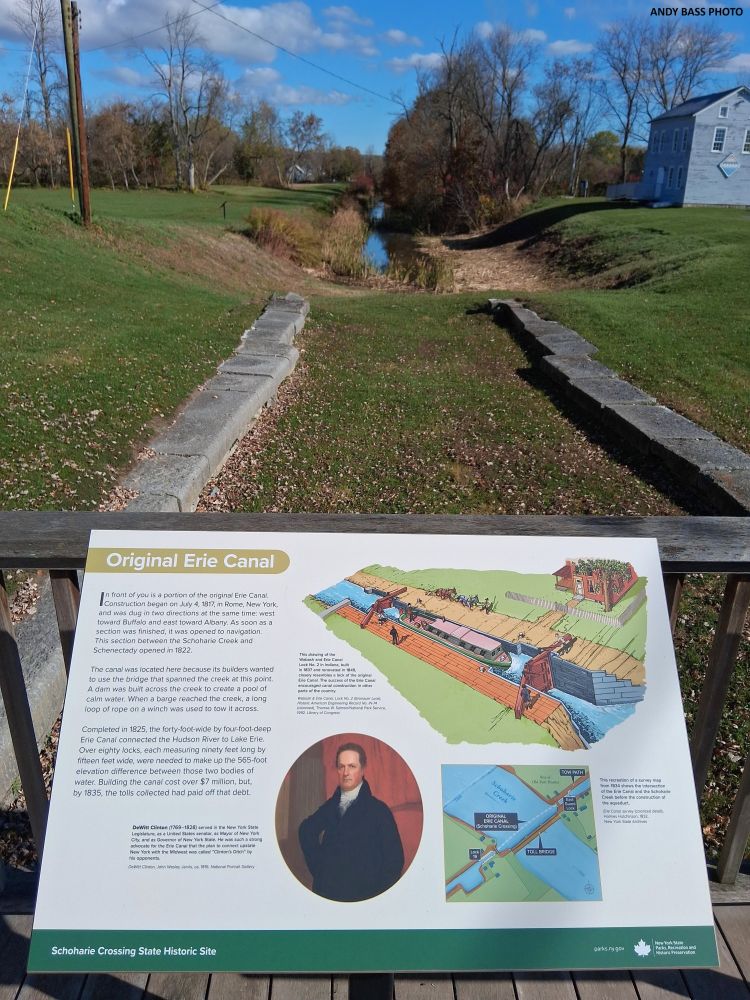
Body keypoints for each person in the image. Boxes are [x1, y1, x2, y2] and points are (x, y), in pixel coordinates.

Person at [298, 743, 404, 902]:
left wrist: (376, 894)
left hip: (363, 896)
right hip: (328, 894)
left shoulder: (379, 811)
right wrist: (321, 870)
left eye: (352, 766)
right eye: (341, 767)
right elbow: (306, 830)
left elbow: (395, 861)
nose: (346, 772)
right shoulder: (331, 805)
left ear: (362, 770)